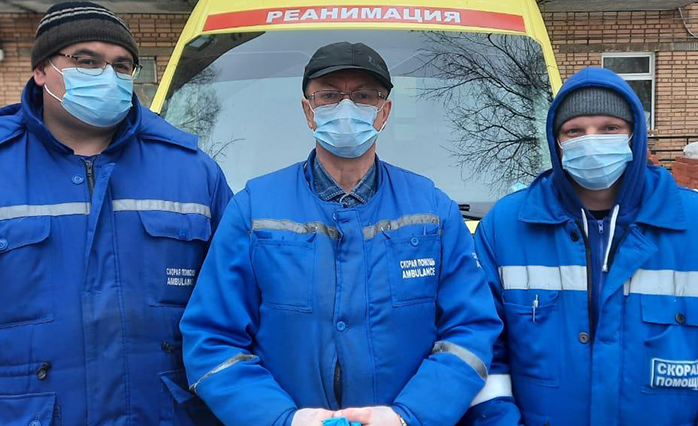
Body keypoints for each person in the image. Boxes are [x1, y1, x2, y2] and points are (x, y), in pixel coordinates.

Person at [0, 1, 233, 426]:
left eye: (121, 65)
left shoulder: (193, 172)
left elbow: (233, 315)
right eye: (86, 61)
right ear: (41, 70)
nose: (107, 76)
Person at [180, 41, 502, 426]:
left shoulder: (434, 211)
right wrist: (281, 419)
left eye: (364, 96)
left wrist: (409, 416)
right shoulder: (252, 210)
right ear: (308, 111)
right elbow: (212, 340)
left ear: (384, 112)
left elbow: (470, 331)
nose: (346, 108)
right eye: (330, 96)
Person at [461, 67, 698, 426]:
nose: (591, 141)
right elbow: (481, 348)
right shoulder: (506, 228)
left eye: (609, 128)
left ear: (635, 135)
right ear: (556, 141)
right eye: (574, 131)